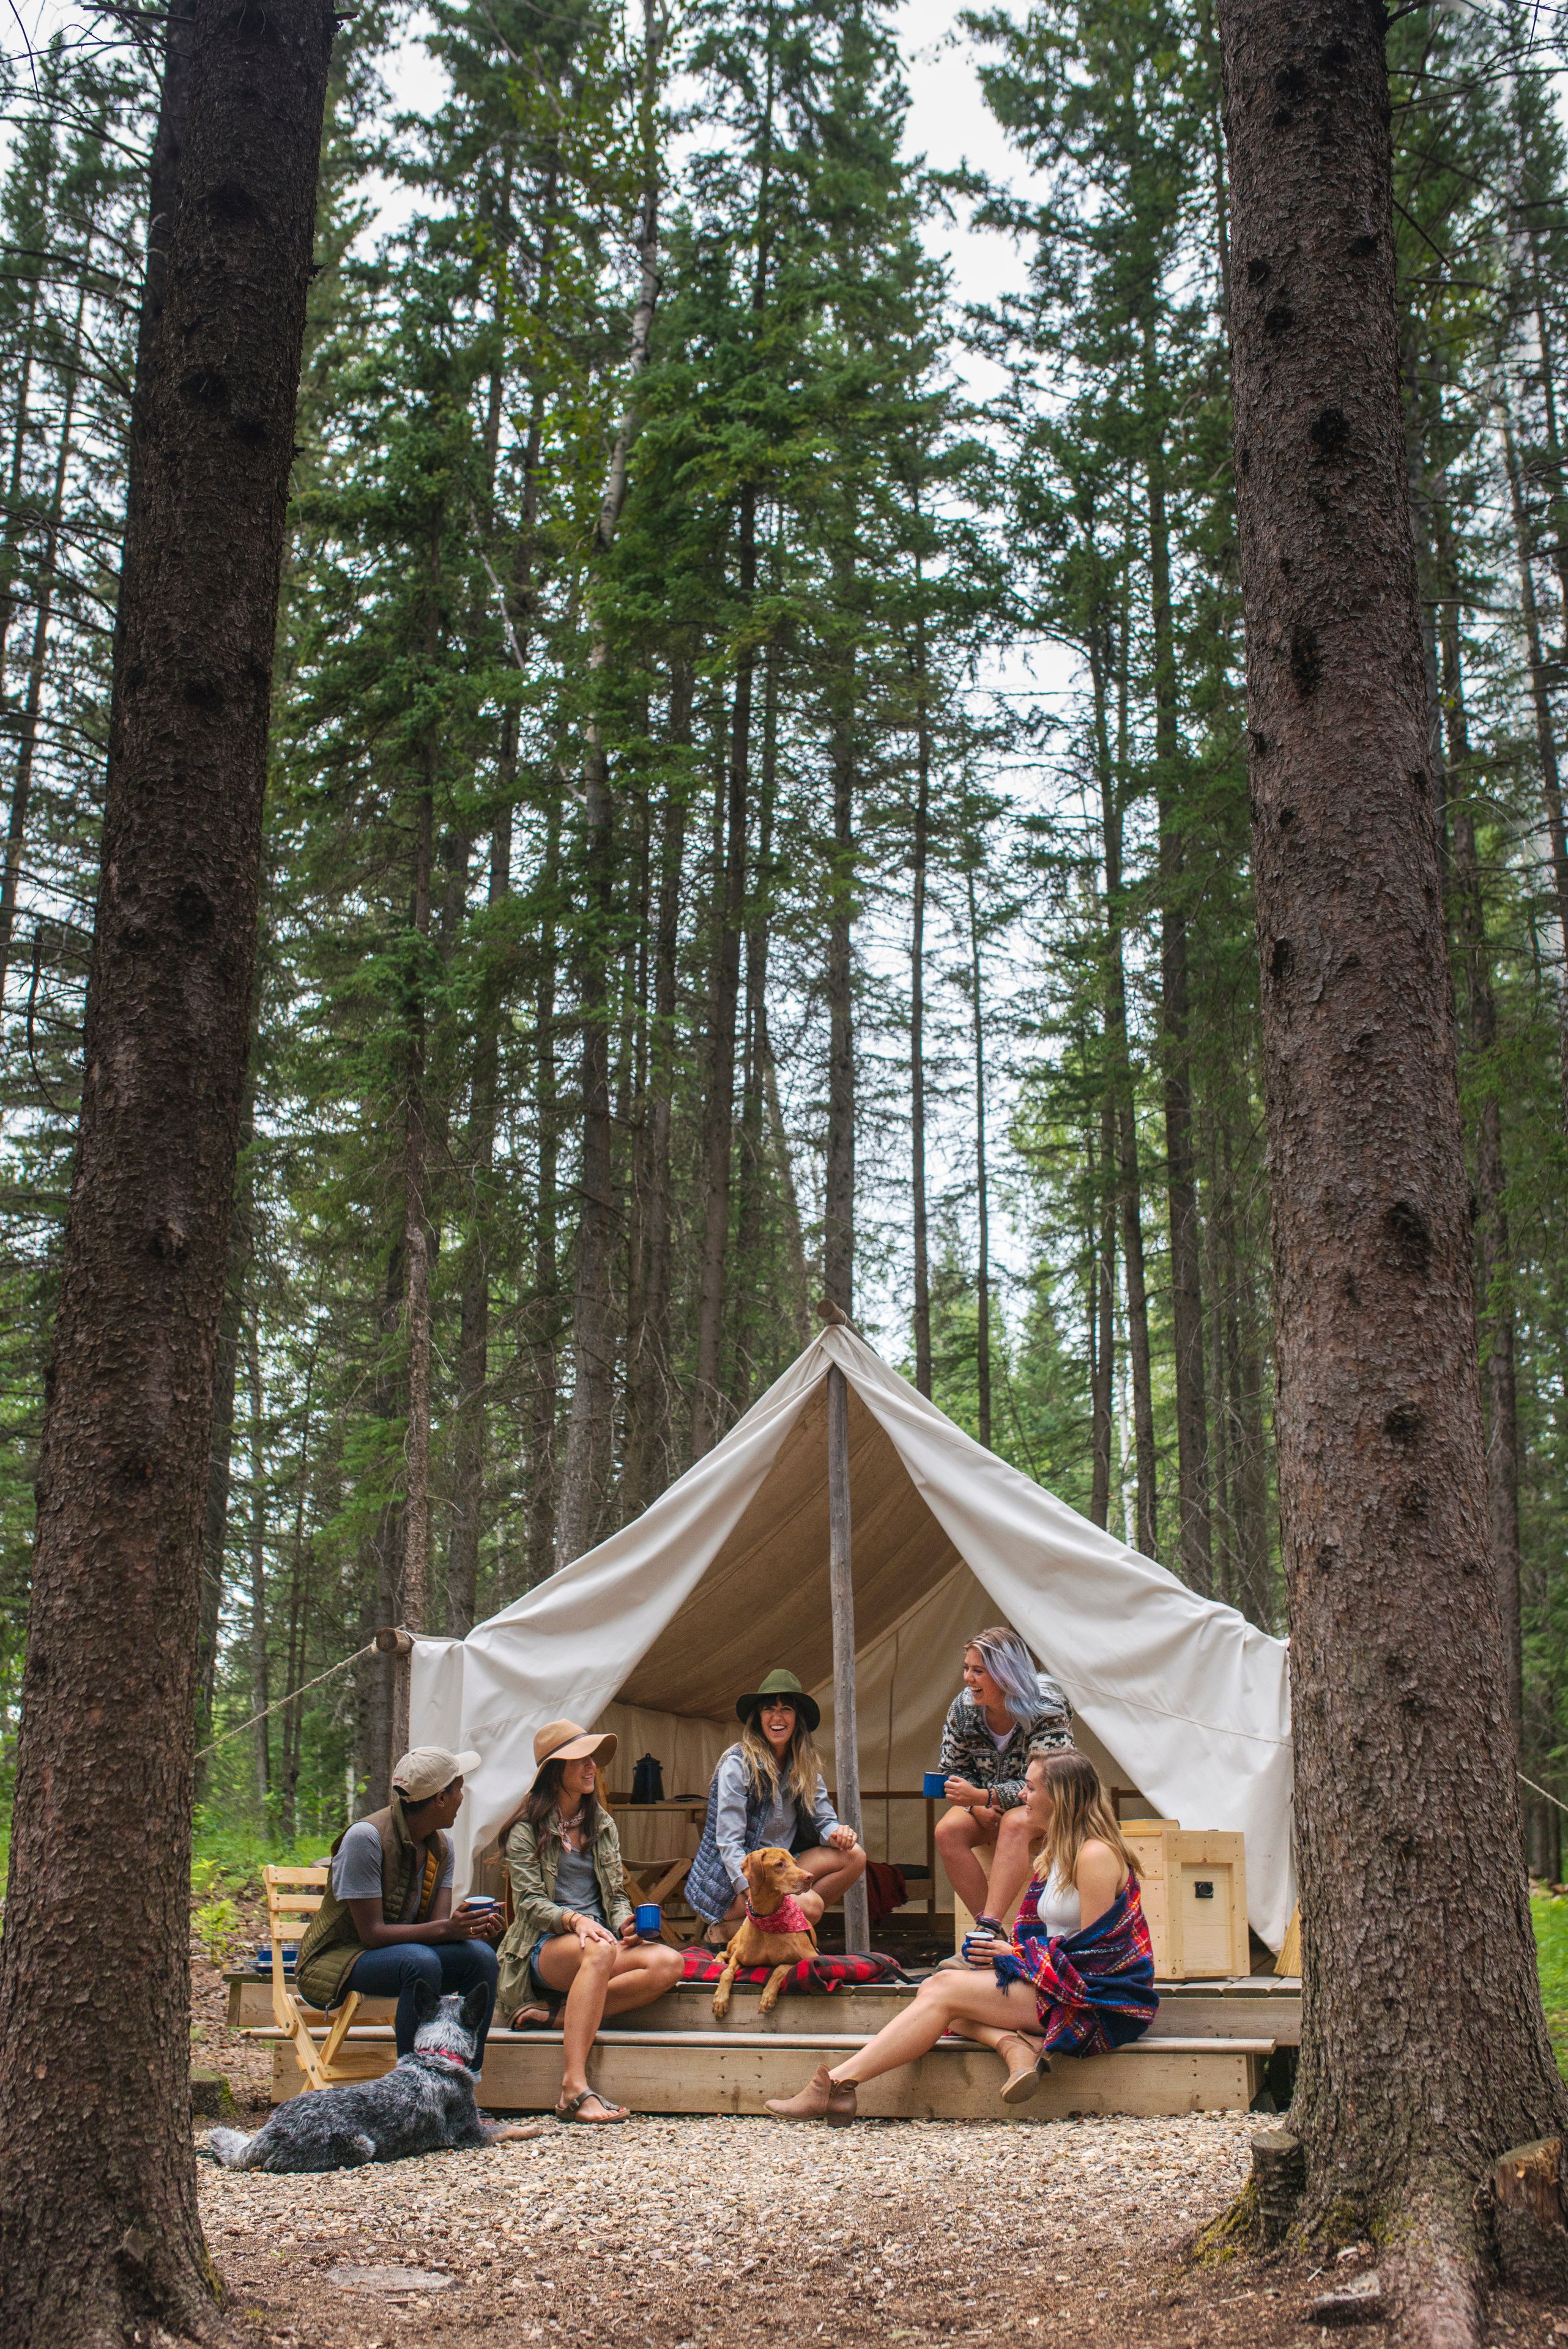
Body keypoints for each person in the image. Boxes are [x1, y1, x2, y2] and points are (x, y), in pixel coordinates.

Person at [764, 1748, 1157, 2121]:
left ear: (1062, 1797)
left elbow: (1095, 1961)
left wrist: (1014, 1956)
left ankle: (835, 2085)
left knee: (942, 1991)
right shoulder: (1057, 1855)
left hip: (1100, 2004)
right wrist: (1007, 1953)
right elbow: (1054, 1941)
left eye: (1032, 1788)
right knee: (939, 1989)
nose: (1022, 1795)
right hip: (1060, 1986)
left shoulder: (1095, 1856)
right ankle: (1012, 2045)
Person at [494, 1720, 684, 2124]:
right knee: (598, 1949)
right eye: (579, 1760)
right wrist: (575, 1921)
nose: (591, 1767)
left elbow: (614, 1896)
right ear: (553, 1771)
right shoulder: (525, 1829)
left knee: (670, 1962)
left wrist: (625, 1921)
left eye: (592, 1759)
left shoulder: (601, 1825)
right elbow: (528, 1904)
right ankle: (573, 2088)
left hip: (596, 1941)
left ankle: (560, 2018)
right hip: (541, 1947)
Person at [294, 1745, 504, 2078]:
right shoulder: (366, 1839)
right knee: (420, 1961)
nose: (462, 1797)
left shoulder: (441, 1846)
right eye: (458, 1789)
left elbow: (437, 1929)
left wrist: (468, 1928)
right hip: (340, 1958)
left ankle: (464, 2083)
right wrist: (448, 1930)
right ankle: (413, 2087)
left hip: (406, 1954)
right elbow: (372, 1935)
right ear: (439, 1798)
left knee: (479, 1957)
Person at [685, 1669, 867, 1946]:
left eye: (786, 1709)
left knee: (853, 1855)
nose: (777, 1718)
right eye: (769, 1709)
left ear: (797, 1719)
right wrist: (754, 1891)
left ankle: (779, 1929)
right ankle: (725, 1932)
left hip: (783, 1865)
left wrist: (837, 1834)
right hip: (740, 1875)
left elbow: (823, 1820)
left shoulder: (803, 1763)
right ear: (759, 1718)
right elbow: (729, 1843)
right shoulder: (738, 1763)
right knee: (811, 1908)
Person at [933, 1626, 1073, 1946]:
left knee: (1014, 1822)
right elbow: (952, 1769)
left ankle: (988, 1927)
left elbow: (1052, 1777)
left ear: (1006, 1675)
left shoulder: (1047, 1706)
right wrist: (974, 1806)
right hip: (984, 1805)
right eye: (966, 1668)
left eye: (978, 1671)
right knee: (947, 1831)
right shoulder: (963, 1708)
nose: (968, 1678)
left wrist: (986, 1796)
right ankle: (998, 1938)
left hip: (1048, 1804)